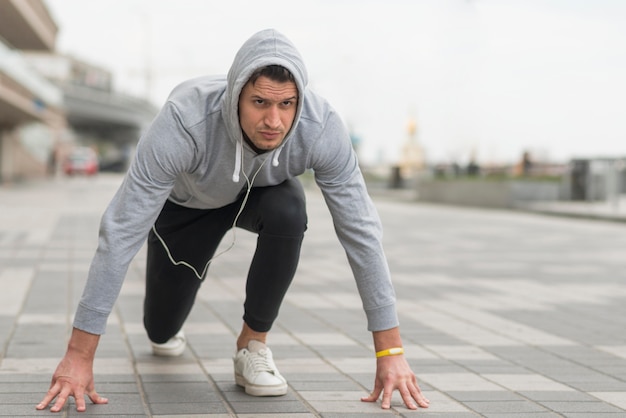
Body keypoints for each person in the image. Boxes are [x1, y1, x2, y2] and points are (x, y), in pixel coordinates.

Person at [36, 28, 430, 413]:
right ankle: (166, 324)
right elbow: (121, 229)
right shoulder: (184, 120)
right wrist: (78, 355)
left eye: (287, 104)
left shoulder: (321, 127)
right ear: (236, 94)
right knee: (161, 329)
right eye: (260, 102)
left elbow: (361, 231)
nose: (274, 120)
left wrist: (390, 351)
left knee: (290, 209)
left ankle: (252, 346)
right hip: (188, 209)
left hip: (261, 194)